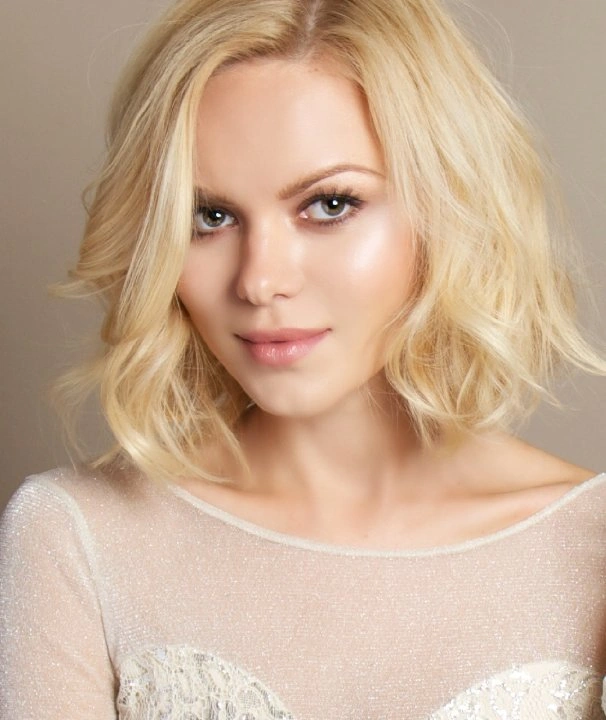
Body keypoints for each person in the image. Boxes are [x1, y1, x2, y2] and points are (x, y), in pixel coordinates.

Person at [1, 0, 605, 717]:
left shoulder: (590, 546)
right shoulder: (78, 537)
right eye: (210, 216)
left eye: (329, 205)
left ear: (449, 206)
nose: (260, 281)